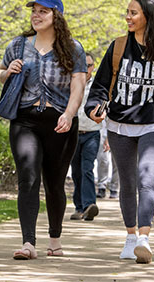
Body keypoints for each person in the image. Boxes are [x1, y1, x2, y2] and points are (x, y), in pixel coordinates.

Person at [85, 0, 154, 264]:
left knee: (146, 179)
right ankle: (130, 237)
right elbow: (100, 86)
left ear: (147, 17)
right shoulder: (118, 47)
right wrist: (93, 107)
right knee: (127, 183)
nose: (128, 17)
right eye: (127, 12)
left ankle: (144, 238)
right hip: (119, 125)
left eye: (134, 13)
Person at [0, 0, 87, 260]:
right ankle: (28, 243)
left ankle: (55, 239)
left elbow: (78, 84)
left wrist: (70, 114)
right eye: (34, 11)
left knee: (55, 184)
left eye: (43, 12)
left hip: (60, 122)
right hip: (25, 120)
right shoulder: (18, 46)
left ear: (56, 17)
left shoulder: (73, 48)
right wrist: (8, 71)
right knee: (28, 178)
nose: (36, 16)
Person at [70, 52, 101, 221]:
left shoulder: (98, 85)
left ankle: (89, 204)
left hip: (92, 133)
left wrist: (109, 136)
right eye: (83, 65)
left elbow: (107, 110)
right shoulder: (71, 82)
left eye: (89, 66)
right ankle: (79, 207)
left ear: (93, 66)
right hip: (73, 133)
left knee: (86, 168)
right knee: (76, 172)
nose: (86, 69)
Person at [95, 128, 119, 199]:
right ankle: (101, 187)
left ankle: (114, 188)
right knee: (102, 160)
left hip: (117, 129)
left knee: (117, 162)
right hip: (103, 129)